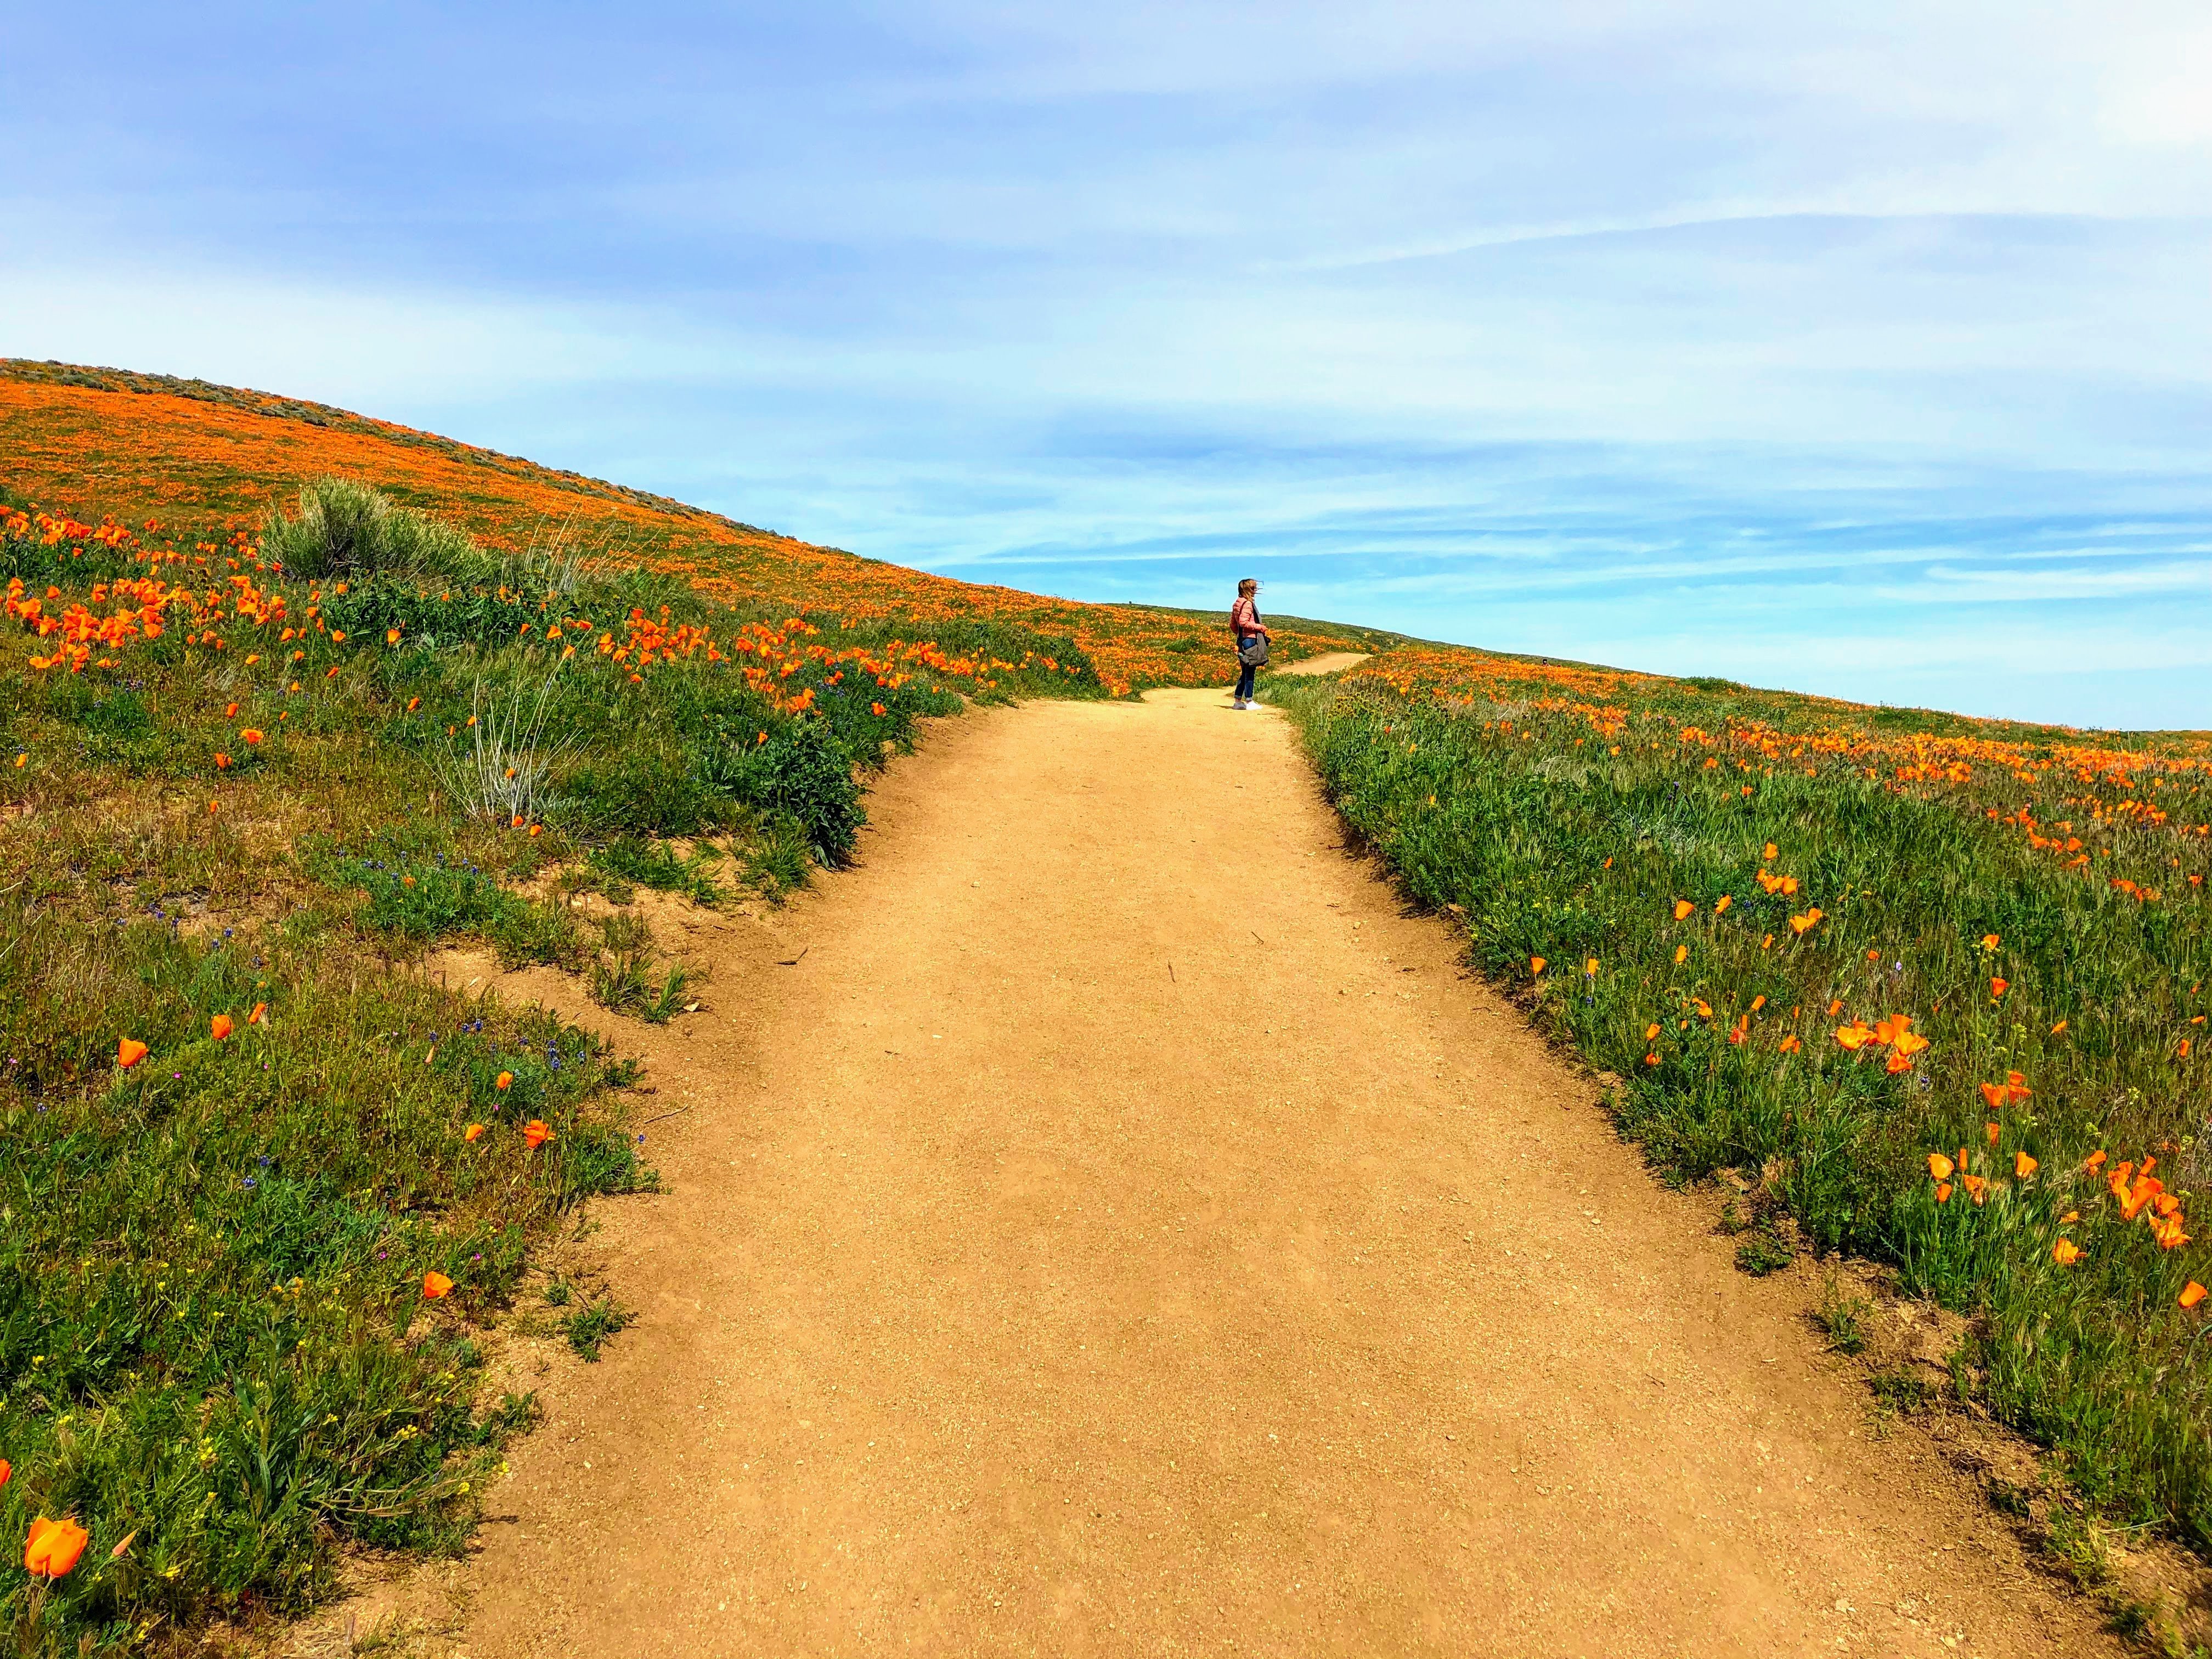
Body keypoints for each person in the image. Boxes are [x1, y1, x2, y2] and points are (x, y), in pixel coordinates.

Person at [1228, 577, 1271, 709]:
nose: (1255, 590)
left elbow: (1233, 625)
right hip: (1250, 640)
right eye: (1253, 588)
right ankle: (1249, 701)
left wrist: (1239, 636)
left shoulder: (1237, 603)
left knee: (1245, 671)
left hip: (1242, 639)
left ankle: (1237, 701)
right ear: (1247, 589)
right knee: (1250, 670)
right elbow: (1243, 622)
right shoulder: (1247, 604)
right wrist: (1260, 627)